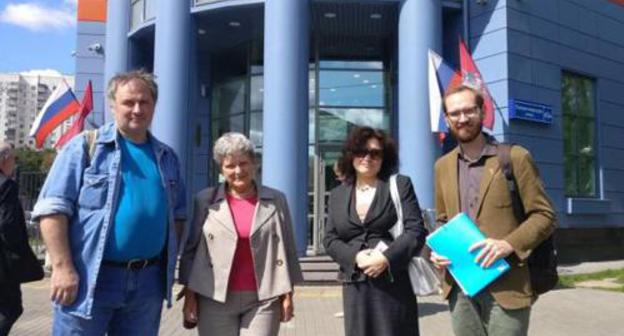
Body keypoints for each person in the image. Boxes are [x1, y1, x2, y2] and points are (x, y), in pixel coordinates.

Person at [31, 70, 187, 335]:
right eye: (129, 102)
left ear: (153, 106)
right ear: (113, 105)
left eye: (144, 102)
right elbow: (52, 211)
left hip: (147, 283)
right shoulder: (84, 148)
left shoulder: (167, 157)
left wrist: (166, 263)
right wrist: (62, 267)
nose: (137, 109)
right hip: (89, 278)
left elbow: (179, 215)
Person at [431, 84, 556, 336]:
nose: (462, 118)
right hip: (460, 286)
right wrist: (438, 250)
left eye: (469, 110)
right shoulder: (442, 166)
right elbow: (443, 220)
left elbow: (545, 215)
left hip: (507, 286)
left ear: (482, 111)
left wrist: (508, 244)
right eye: (454, 113)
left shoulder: (515, 157)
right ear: (446, 119)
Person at [179, 132, 303, 336]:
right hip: (213, 297)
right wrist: (189, 295)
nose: (238, 171)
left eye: (244, 163)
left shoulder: (276, 199)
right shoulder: (205, 200)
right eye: (230, 165)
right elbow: (191, 251)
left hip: (264, 298)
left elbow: (286, 249)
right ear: (221, 168)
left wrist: (288, 293)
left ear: (254, 164)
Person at [323, 126, 427, 336]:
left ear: (384, 157)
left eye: (375, 153)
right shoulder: (338, 195)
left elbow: (415, 230)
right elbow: (329, 239)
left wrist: (386, 258)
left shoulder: (399, 185)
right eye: (361, 152)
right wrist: (355, 257)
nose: (367, 158)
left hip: (393, 283)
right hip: (356, 286)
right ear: (351, 156)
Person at [0, 144, 37, 335]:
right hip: (4, 263)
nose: (14, 163)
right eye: (14, 158)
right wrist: (20, 250)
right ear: (5, 159)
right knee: (11, 308)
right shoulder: (6, 185)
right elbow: (7, 224)